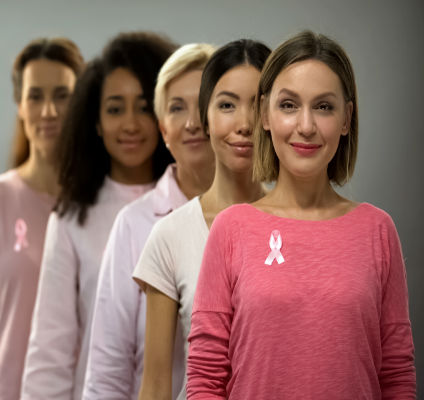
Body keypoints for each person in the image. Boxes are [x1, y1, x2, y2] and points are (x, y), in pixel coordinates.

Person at [187, 31, 416, 399]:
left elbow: (397, 376)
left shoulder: (378, 230)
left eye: (324, 106)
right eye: (289, 105)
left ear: (346, 119)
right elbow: (204, 378)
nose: (305, 126)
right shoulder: (232, 229)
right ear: (265, 114)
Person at [20, 31, 177, 400]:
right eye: (115, 108)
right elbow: (50, 351)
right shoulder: (74, 219)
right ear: (95, 121)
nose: (131, 124)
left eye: (144, 106)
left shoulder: (193, 205)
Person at [132, 39, 271, 400]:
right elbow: (156, 387)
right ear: (206, 118)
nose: (244, 124)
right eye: (226, 105)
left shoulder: (305, 226)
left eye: (258, 105)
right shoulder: (170, 235)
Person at [82, 43, 216, 400]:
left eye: (206, 103)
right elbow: (107, 373)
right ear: (162, 128)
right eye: (177, 108)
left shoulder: (273, 215)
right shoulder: (135, 224)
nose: (193, 122)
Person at [0, 38, 83, 400]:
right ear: (20, 105)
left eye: (62, 95)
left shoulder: (105, 205)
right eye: (35, 96)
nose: (48, 111)